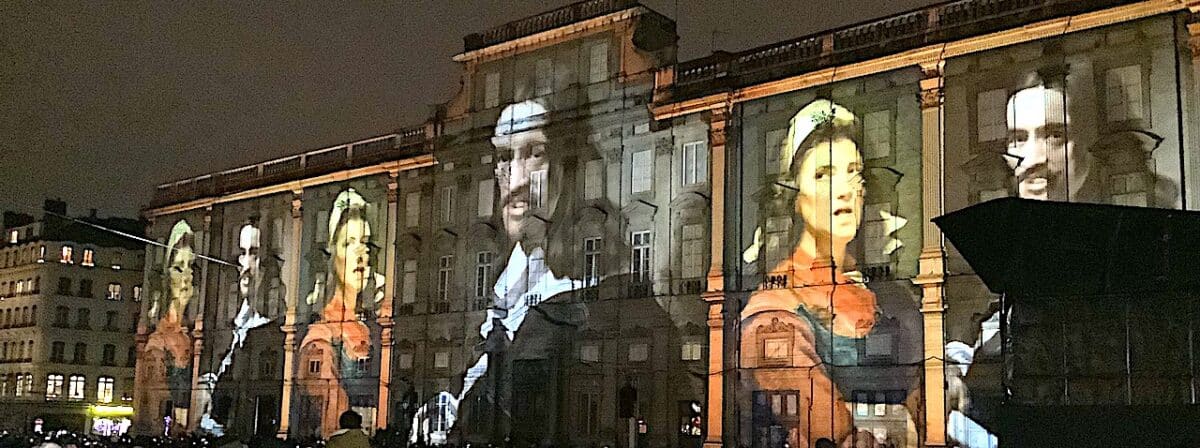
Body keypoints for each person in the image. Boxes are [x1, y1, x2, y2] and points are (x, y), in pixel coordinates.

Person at [740, 99, 919, 448]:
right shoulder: (772, 309)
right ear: (794, 195)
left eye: (854, 171)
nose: (844, 189)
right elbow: (830, 431)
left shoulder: (890, 296)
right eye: (823, 174)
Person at [298, 188, 384, 433]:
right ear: (333, 253)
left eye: (365, 243)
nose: (362, 253)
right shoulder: (320, 337)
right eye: (349, 243)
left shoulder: (372, 319)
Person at [143, 219, 197, 435]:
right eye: (178, 268)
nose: (187, 277)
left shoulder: (191, 332)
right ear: (165, 277)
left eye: (191, 266)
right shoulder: (157, 338)